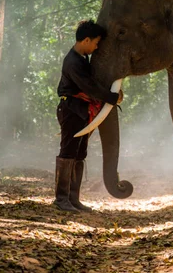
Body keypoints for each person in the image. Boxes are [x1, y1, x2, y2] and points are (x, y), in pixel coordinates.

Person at [55, 20, 123, 212]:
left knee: (80, 152)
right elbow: (89, 87)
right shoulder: (73, 62)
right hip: (71, 109)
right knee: (68, 151)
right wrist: (111, 97)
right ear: (86, 40)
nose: (96, 46)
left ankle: (73, 198)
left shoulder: (82, 58)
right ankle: (61, 199)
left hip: (82, 110)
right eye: (96, 42)